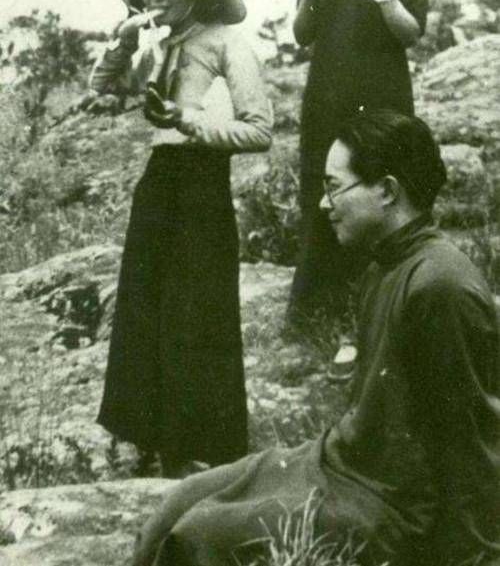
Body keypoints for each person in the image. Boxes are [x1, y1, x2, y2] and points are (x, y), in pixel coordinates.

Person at [131, 110, 500, 566]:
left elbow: (469, 445)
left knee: (200, 534)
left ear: (387, 191)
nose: (324, 204)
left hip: (391, 507)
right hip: (340, 462)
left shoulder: (441, 285)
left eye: (334, 187)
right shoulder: (384, 266)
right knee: (181, 499)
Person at [91, 0, 273, 477]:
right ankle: (139, 435)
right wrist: (123, 43)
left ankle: (199, 446)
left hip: (202, 186)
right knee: (142, 304)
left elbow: (259, 131)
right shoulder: (155, 44)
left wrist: (189, 121)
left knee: (196, 310)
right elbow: (102, 89)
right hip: (159, 183)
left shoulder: (227, 43)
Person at [288, 0, 431, 328]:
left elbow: (410, 33)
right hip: (328, 90)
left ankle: (382, 309)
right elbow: (302, 34)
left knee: (380, 187)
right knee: (326, 189)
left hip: (383, 91)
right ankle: (321, 313)